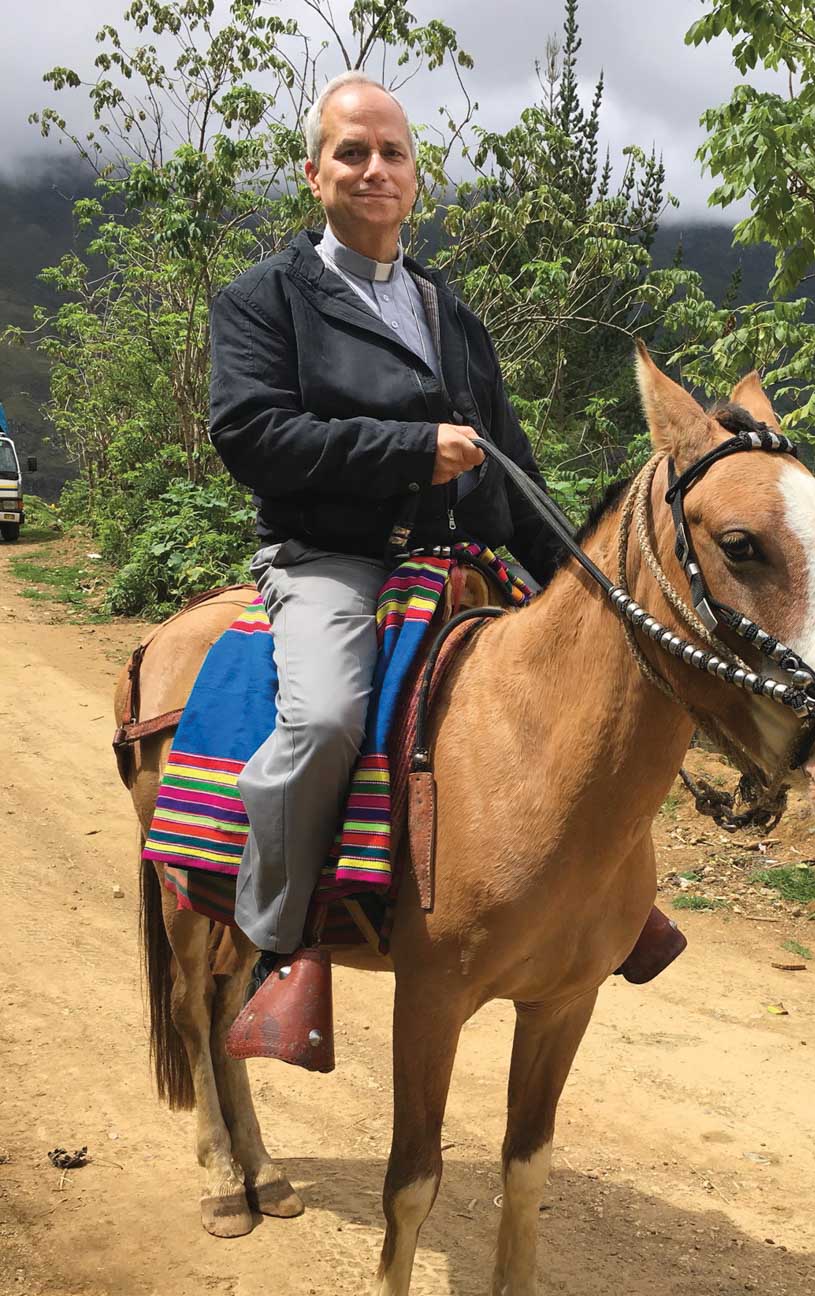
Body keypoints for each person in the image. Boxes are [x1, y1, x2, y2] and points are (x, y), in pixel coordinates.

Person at [210, 72, 684, 1065]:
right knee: (328, 718)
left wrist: (584, 585)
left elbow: (508, 471)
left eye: (390, 153)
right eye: (351, 152)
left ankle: (601, 904)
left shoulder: (448, 312)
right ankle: (277, 942)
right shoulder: (262, 301)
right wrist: (407, 452)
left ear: (415, 178)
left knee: (596, 694)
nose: (373, 169)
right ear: (314, 174)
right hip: (331, 561)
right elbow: (252, 435)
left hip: (455, 561)